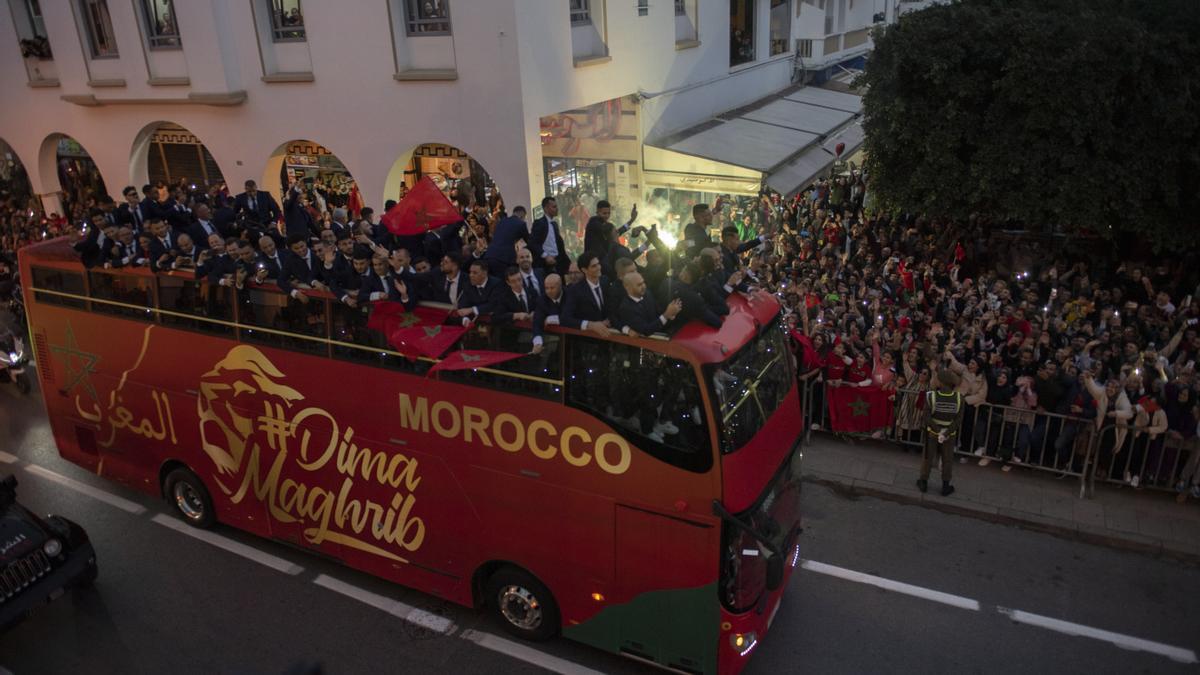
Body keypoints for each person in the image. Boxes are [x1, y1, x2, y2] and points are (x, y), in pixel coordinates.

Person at [919, 369, 963, 495]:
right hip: (950, 435)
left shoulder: (931, 396)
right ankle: (945, 486)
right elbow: (958, 419)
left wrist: (938, 431)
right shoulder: (959, 398)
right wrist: (946, 432)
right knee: (947, 460)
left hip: (932, 432)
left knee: (927, 457)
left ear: (942, 382)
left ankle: (923, 482)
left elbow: (926, 416)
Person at [562, 251, 613, 335]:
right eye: (594, 266)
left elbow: (611, 306)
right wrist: (590, 325)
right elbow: (565, 319)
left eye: (598, 264)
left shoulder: (605, 281)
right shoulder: (575, 290)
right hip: (588, 340)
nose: (598, 268)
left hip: (609, 335)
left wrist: (609, 320)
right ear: (584, 270)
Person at [617, 272, 682, 338]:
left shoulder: (647, 294)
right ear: (628, 288)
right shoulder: (626, 308)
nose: (644, 286)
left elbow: (657, 310)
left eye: (643, 282)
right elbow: (646, 330)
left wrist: (671, 313)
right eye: (639, 285)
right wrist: (666, 315)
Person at [530, 196, 568, 276]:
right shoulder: (539, 223)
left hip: (557, 262)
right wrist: (545, 256)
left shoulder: (554, 224)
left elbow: (558, 244)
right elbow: (533, 243)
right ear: (546, 209)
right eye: (554, 207)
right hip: (544, 264)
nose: (556, 209)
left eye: (556, 206)